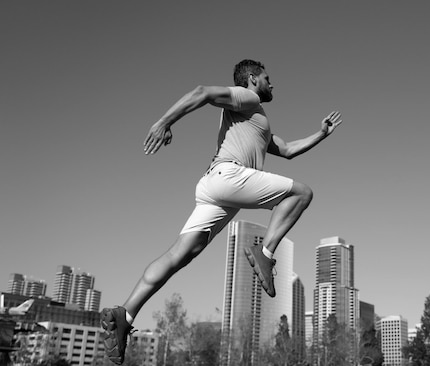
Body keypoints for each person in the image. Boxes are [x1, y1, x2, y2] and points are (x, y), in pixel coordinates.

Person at [100, 59, 342, 365]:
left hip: (215, 189)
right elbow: (202, 92)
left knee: (181, 254)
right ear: (253, 79)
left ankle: (126, 312)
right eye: (268, 78)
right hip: (229, 177)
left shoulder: (256, 119)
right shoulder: (248, 97)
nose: (273, 84)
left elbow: (288, 150)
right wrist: (164, 122)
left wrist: (321, 134)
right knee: (302, 193)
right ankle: (265, 254)